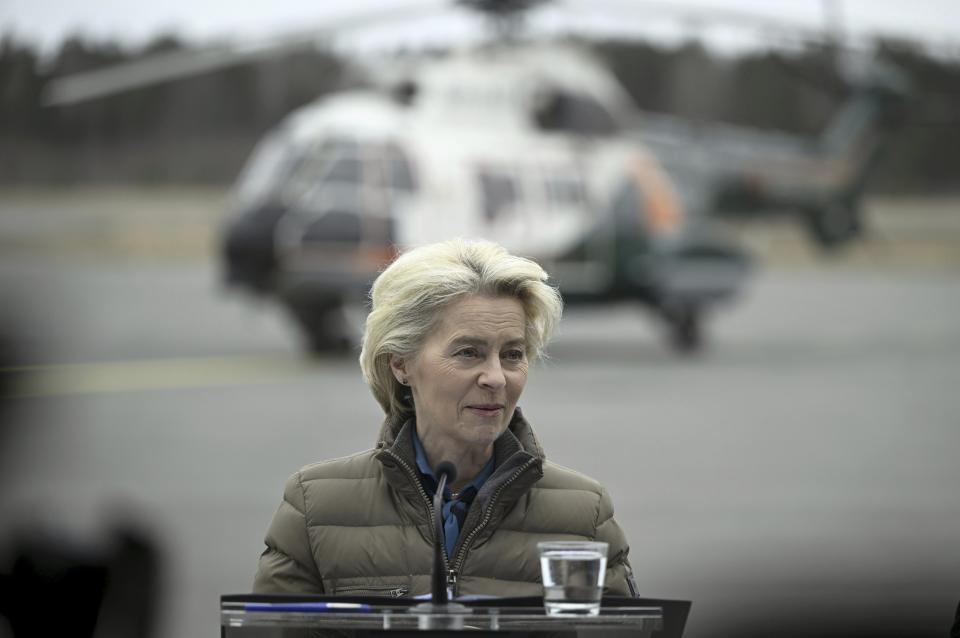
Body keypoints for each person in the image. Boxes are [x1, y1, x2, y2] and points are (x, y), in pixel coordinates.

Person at [253, 239, 638, 598]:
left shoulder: (581, 514)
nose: (495, 377)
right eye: (468, 352)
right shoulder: (316, 506)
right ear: (401, 363)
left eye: (513, 354)